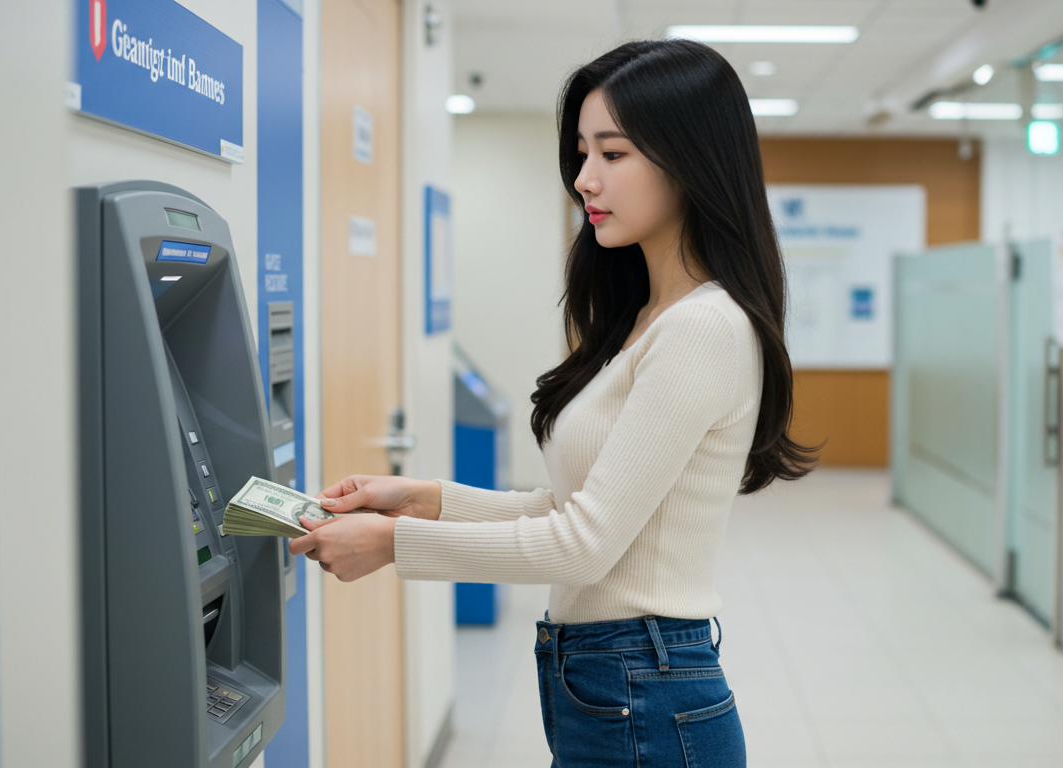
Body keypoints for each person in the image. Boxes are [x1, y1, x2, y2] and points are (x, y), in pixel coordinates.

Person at [290, 38, 815, 767]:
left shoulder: (703, 328)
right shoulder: (646, 320)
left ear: (689, 161)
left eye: (613, 153)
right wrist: (424, 499)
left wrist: (390, 545)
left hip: (643, 688)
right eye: (580, 153)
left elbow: (583, 546)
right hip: (615, 679)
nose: (583, 179)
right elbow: (576, 509)